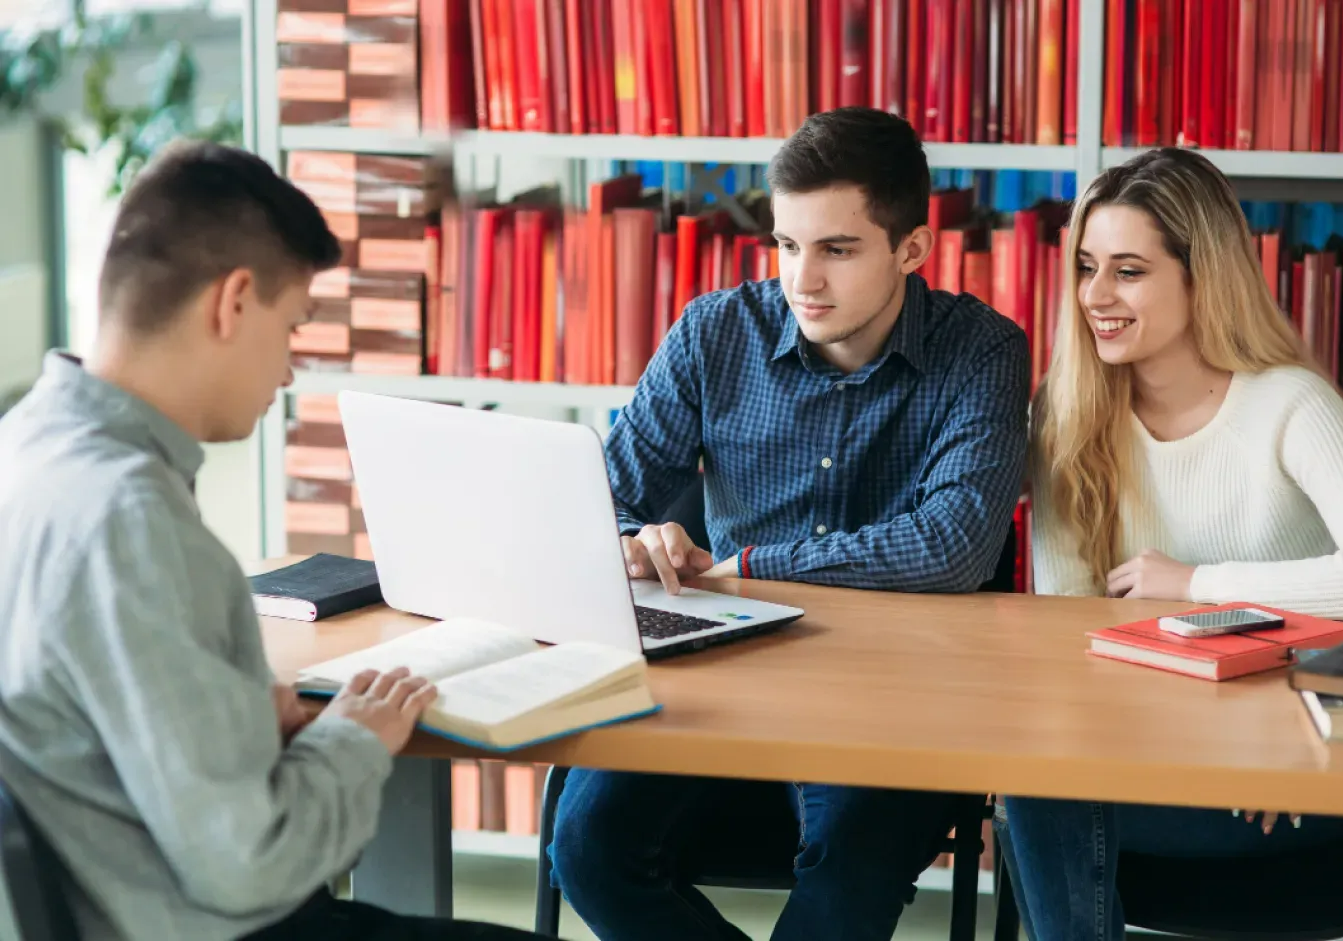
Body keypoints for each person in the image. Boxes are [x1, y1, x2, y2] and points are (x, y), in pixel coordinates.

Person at [0, 141, 543, 941]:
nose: (288, 372)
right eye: (291, 328)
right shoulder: (130, 520)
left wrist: (246, 729)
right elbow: (250, 861)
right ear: (233, 303)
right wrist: (352, 738)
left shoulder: (25, 449)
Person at [547, 106, 1032, 941]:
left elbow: (951, 547)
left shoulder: (982, 351)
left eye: (837, 250)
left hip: (895, 683)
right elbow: (601, 498)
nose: (802, 280)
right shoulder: (713, 333)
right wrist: (633, 539)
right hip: (718, 668)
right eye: (786, 244)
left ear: (911, 248)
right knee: (585, 848)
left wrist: (743, 566)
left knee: (846, 878)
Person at [996, 146, 1343, 940]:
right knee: (1030, 775)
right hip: (1143, 750)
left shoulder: (1288, 404)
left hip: (1295, 767)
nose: (1095, 295)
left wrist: (1194, 583)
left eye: (1128, 271)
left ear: (1201, 278)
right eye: (1086, 266)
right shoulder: (1067, 411)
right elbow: (1065, 631)